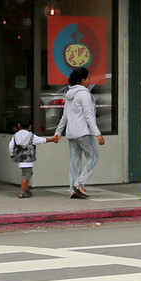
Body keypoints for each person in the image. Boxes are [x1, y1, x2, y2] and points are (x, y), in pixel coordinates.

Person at [49, 65, 105, 198]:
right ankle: (79, 183)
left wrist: (58, 132)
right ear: (82, 80)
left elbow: (65, 116)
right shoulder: (84, 94)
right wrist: (98, 133)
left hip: (71, 133)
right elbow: (89, 115)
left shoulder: (69, 94)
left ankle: (73, 189)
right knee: (93, 157)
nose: (90, 80)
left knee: (75, 161)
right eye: (88, 78)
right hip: (83, 132)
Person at [9, 114, 40, 198]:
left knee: (27, 173)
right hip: (28, 159)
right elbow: (41, 140)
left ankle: (26, 190)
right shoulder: (31, 136)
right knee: (26, 175)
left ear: (19, 125)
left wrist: (12, 154)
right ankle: (22, 192)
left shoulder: (15, 136)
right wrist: (51, 139)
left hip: (20, 158)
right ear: (30, 126)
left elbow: (11, 146)